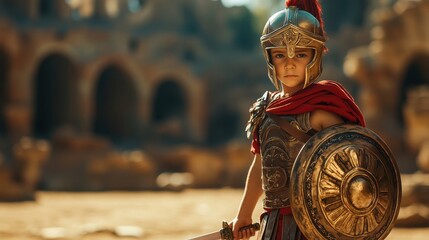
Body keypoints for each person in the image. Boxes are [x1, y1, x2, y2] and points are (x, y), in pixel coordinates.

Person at [230, 0, 366, 239]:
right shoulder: (265, 108)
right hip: (272, 222)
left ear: (314, 56)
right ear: (270, 58)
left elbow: (351, 172)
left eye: (300, 54)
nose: (290, 63)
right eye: (280, 55)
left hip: (315, 225)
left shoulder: (322, 111)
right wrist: (243, 214)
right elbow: (260, 167)